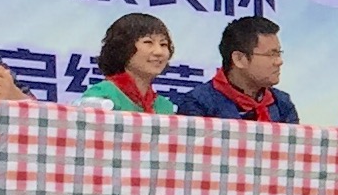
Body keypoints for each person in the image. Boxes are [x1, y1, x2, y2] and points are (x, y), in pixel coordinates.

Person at [171, 16, 299, 123]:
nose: (279, 61)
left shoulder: (282, 103)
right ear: (239, 59)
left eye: (279, 53)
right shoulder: (198, 103)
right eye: (271, 54)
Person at [82, 14, 178, 114]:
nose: (159, 52)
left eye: (163, 44)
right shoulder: (101, 95)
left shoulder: (165, 106)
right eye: (148, 42)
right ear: (122, 48)